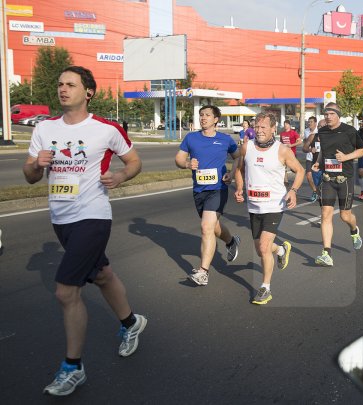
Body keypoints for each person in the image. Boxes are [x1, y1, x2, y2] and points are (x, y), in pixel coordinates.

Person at [23, 66, 147, 396]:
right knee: (102, 274)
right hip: (61, 219)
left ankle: (73, 367)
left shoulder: (104, 129)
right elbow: (29, 176)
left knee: (66, 291)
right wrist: (37, 164)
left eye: (71, 84)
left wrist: (120, 177)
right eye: (60, 83)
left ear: (87, 92)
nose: (63, 89)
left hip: (92, 216)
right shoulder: (44, 128)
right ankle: (131, 322)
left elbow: (133, 162)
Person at [234, 112, 304, 304]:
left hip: (274, 204)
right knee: (260, 249)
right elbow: (239, 168)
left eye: (264, 127)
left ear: (274, 129)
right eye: (257, 126)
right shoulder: (247, 147)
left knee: (264, 247)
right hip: (254, 206)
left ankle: (266, 288)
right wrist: (239, 187)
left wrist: (294, 190)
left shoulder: (282, 150)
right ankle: (281, 250)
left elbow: (300, 171)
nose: (259, 130)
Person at [174, 105, 242, 286]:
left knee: (206, 227)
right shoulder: (191, 138)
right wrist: (188, 164)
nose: (203, 118)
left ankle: (203, 272)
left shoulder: (225, 139)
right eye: (201, 115)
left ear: (216, 119)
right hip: (199, 191)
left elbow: (237, 157)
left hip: (218, 189)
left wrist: (232, 173)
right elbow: (179, 159)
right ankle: (231, 241)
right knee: (213, 226)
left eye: (207, 115)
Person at [310, 102, 363, 267]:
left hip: (345, 178)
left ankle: (354, 231)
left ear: (338, 115)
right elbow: (324, 151)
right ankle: (327, 253)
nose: (327, 117)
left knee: (344, 216)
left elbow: (362, 150)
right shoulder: (322, 131)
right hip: (328, 179)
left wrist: (346, 157)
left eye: (331, 114)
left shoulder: (349, 131)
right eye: (325, 114)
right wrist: (318, 162)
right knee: (325, 214)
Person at [302, 116, 320, 202]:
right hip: (309, 157)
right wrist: (309, 149)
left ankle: (321, 192)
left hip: (318, 158)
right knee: (309, 176)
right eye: (308, 122)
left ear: (315, 123)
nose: (309, 123)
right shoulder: (306, 131)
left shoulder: (319, 131)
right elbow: (305, 143)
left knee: (319, 177)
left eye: (311, 122)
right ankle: (315, 191)